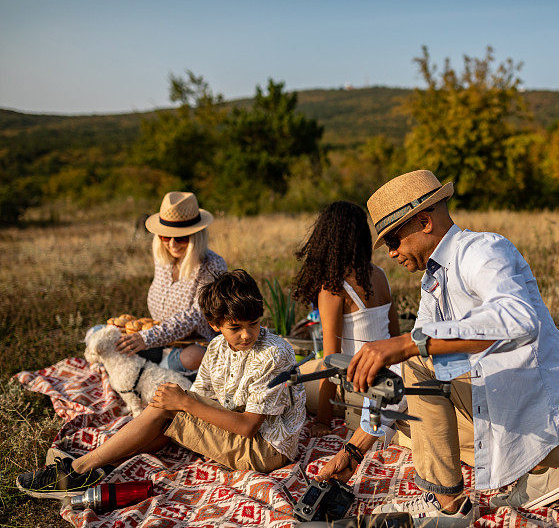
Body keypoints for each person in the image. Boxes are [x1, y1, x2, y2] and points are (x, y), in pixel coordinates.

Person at [318, 170, 559, 525]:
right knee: (409, 423)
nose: (391, 253)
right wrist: (353, 452)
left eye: (393, 240)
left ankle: (448, 505)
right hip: (510, 413)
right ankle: (542, 475)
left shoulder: (481, 250)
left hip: (548, 424)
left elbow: (518, 319)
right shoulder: (433, 281)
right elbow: (406, 385)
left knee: (417, 365)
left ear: (423, 222)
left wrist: (407, 343)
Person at [16, 269, 306, 498]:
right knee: (169, 403)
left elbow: (247, 426)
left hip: (265, 448)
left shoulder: (274, 353)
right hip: (241, 431)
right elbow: (197, 402)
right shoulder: (217, 347)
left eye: (253, 324)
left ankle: (78, 471)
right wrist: (182, 402)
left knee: (173, 406)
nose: (247, 334)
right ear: (215, 324)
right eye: (236, 327)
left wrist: (184, 403)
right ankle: (101, 464)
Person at [292, 201, 401, 437]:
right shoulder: (380, 275)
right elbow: (395, 334)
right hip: (389, 374)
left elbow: (331, 362)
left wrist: (322, 420)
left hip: (357, 384)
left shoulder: (333, 288)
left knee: (291, 382)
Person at [116, 191, 227, 377]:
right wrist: (145, 336)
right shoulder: (163, 258)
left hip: (192, 344)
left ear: (196, 236)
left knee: (192, 357)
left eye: (181, 238)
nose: (172, 244)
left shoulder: (212, 264)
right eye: (166, 237)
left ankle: (154, 371)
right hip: (159, 339)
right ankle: (156, 369)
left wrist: (147, 338)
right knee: (104, 334)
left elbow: (196, 315)